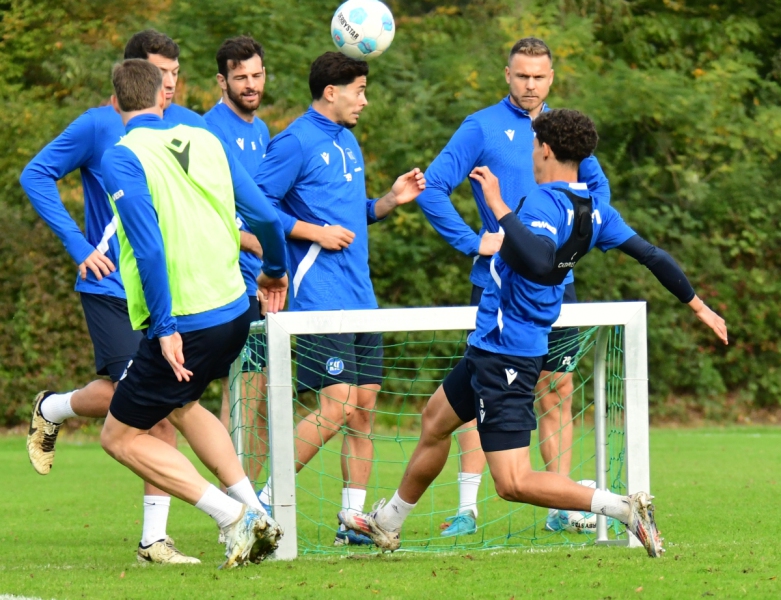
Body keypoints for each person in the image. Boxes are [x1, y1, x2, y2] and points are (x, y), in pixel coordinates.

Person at [339, 108, 729, 559]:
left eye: (532, 146)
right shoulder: (596, 210)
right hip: (493, 346)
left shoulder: (545, 203)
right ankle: (388, 523)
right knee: (435, 420)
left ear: (543, 149)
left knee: (512, 482)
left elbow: (541, 261)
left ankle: (622, 508)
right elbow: (653, 255)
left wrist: (500, 207)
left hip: (507, 355)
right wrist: (699, 306)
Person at [20, 29, 208, 564]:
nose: (169, 83)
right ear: (132, 74)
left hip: (161, 293)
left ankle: (54, 407)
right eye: (159, 72)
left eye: (175, 73)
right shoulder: (97, 124)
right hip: (108, 288)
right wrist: (79, 245)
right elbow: (35, 175)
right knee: (158, 407)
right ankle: (154, 540)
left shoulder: (182, 127)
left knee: (154, 403)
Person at [98, 58, 289, 569]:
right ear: (164, 97)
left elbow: (149, 247)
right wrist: (274, 270)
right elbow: (265, 216)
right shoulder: (205, 138)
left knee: (119, 436)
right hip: (234, 309)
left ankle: (232, 518)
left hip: (186, 320)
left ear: (115, 104)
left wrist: (164, 327)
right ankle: (257, 512)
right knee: (183, 406)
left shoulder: (122, 156)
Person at [416, 37, 610, 536]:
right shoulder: (481, 127)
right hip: (498, 289)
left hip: (554, 285)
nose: (530, 84)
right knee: (477, 389)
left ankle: (561, 507)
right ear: (507, 75)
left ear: (552, 78)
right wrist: (472, 241)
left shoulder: (561, 133)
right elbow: (432, 187)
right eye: (522, 75)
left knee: (557, 388)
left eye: (539, 76)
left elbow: (599, 194)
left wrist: (573, 245)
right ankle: (467, 506)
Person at [254, 52, 426, 547]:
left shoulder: (347, 140)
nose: (364, 101)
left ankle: (351, 522)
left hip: (360, 295)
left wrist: (387, 203)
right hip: (318, 296)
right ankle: (261, 504)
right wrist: (313, 232)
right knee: (338, 405)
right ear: (331, 92)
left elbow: (347, 213)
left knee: (363, 409)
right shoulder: (294, 140)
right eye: (359, 90)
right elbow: (255, 205)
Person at [204, 35, 270, 485]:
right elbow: (202, 208)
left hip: (260, 284)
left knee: (256, 397)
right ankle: (238, 503)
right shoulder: (207, 131)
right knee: (241, 397)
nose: (250, 84)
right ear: (221, 80)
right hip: (225, 283)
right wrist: (252, 242)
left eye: (257, 75)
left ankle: (249, 502)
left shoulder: (262, 131)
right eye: (241, 77)